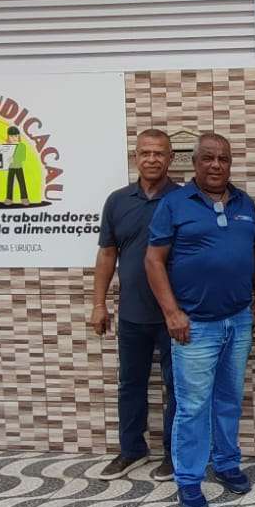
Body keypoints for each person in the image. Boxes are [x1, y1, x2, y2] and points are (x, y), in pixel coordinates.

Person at [145, 133, 255, 507]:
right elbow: (153, 261)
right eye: (208, 158)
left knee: (229, 398)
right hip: (194, 326)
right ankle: (189, 479)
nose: (216, 165)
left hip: (238, 321)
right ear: (194, 163)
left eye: (223, 159)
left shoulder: (244, 203)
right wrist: (172, 313)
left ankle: (226, 463)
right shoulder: (174, 203)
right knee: (193, 406)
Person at [91, 129, 179, 482]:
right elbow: (107, 254)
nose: (152, 159)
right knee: (130, 383)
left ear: (171, 158)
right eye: (145, 153)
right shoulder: (117, 201)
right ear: (136, 157)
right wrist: (98, 304)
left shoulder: (184, 199)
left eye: (159, 153)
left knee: (177, 387)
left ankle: (173, 454)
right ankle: (131, 450)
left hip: (174, 314)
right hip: (131, 313)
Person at [5, 126, 29, 205]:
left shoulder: (22, 146)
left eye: (16, 136)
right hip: (10, 167)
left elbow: (22, 157)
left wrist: (14, 159)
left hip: (19, 167)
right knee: (10, 183)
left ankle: (24, 198)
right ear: (8, 137)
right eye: (11, 136)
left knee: (21, 182)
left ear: (18, 136)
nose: (14, 138)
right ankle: (9, 198)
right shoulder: (7, 146)